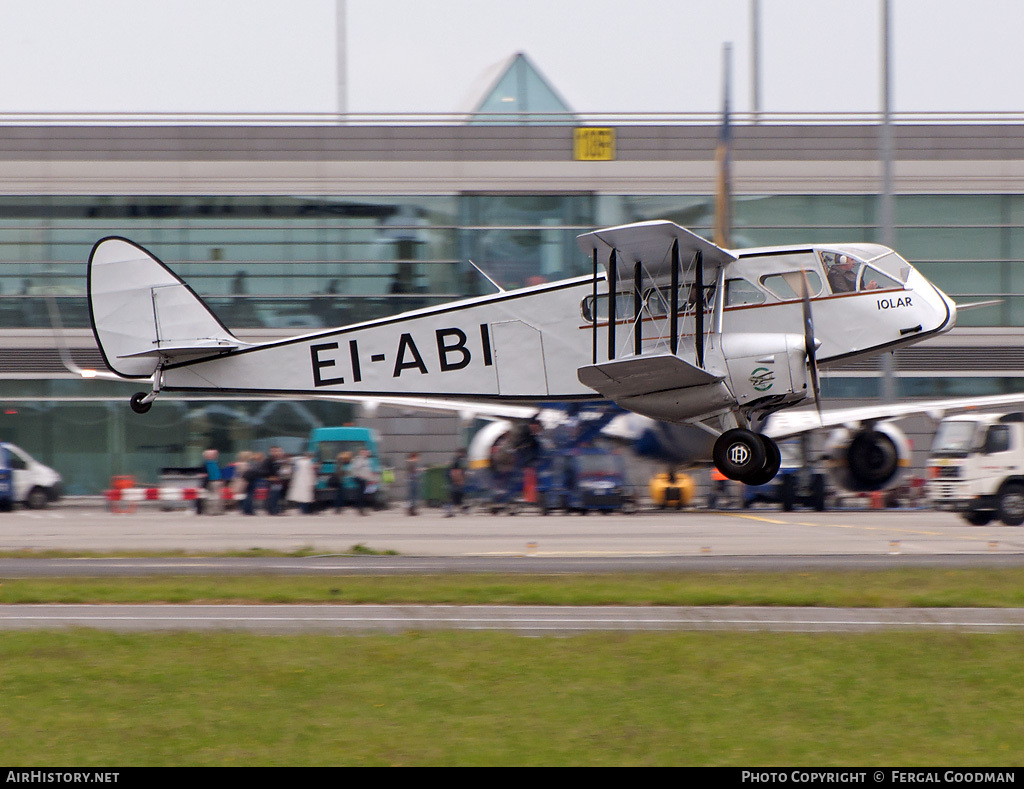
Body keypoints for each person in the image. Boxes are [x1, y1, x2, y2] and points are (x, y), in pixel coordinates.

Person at [348, 448, 376, 515]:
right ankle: (360, 509)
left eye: (366, 452)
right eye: (363, 452)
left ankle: (361, 509)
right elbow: (355, 468)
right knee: (361, 495)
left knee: (363, 494)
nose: (365, 454)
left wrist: (370, 477)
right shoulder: (359, 460)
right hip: (360, 478)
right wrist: (358, 475)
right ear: (360, 453)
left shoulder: (367, 460)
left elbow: (367, 470)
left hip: (365, 478)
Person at [264, 446, 290, 515]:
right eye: (275, 451)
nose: (277, 452)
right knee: (273, 496)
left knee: (277, 496)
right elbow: (265, 470)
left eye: (278, 451)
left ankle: (276, 510)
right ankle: (273, 510)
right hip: (273, 481)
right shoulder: (269, 460)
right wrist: (269, 477)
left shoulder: (280, 460)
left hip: (281, 481)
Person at [197, 448, 222, 515]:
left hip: (215, 482)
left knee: (215, 497)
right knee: (212, 497)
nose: (216, 455)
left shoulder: (214, 463)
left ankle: (215, 510)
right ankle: (212, 511)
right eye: (213, 454)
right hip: (210, 482)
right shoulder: (208, 464)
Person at [445, 448, 467, 517]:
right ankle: (449, 510)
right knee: (454, 495)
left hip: (454, 479)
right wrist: (459, 480)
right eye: (463, 453)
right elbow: (455, 471)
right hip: (455, 480)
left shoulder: (456, 460)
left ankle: (451, 510)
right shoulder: (457, 460)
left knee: (456, 495)